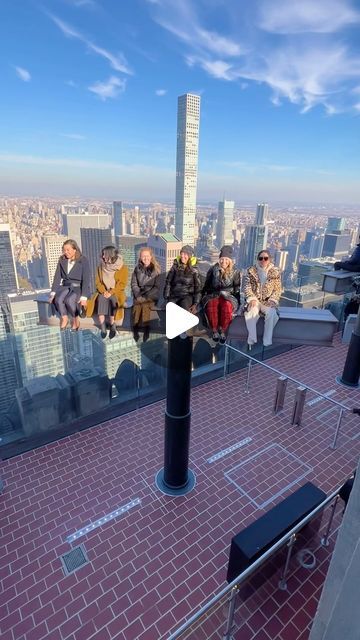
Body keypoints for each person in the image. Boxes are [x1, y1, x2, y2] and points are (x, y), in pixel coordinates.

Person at [86, 245, 128, 339]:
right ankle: (103, 326)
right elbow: (98, 282)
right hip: (103, 291)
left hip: (116, 292)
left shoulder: (122, 268)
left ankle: (113, 324)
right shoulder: (100, 267)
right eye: (103, 255)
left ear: (110, 255)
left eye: (105, 254)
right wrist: (104, 291)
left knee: (112, 300)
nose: (103, 256)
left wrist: (111, 292)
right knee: (101, 299)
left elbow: (122, 284)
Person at [201, 246, 241, 344]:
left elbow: (236, 289)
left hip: (229, 296)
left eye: (226, 259)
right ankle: (214, 330)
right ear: (219, 259)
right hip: (213, 294)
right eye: (222, 259)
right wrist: (202, 297)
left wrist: (239, 303)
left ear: (230, 260)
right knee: (212, 304)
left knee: (226, 306)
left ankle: (222, 330)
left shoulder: (235, 272)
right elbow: (207, 285)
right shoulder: (213, 269)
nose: (224, 261)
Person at [49, 239, 90, 331]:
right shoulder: (62, 260)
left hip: (78, 287)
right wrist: (53, 293)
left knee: (69, 300)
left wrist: (84, 297)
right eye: (64, 250)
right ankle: (64, 318)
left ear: (75, 249)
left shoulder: (83, 260)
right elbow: (57, 277)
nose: (66, 252)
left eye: (68, 250)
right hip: (65, 286)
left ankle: (75, 319)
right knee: (58, 299)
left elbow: (86, 279)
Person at [244, 250, 281, 348]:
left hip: (267, 301)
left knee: (271, 313)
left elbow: (277, 289)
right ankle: (252, 338)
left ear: (269, 259)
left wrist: (273, 300)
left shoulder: (275, 272)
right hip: (255, 299)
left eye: (265, 258)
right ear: (258, 259)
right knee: (252, 312)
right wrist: (252, 299)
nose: (263, 260)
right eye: (261, 258)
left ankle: (267, 340)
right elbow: (247, 286)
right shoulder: (251, 271)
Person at [131, 248, 161, 342]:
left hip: (151, 295)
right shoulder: (137, 269)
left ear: (151, 257)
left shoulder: (156, 270)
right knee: (136, 306)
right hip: (139, 294)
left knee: (145, 305)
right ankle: (135, 328)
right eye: (143, 256)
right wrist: (138, 295)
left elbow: (156, 287)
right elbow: (134, 284)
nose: (145, 258)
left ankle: (146, 329)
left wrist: (146, 296)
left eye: (147, 256)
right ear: (140, 258)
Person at [163, 245, 201, 312]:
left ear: (190, 256)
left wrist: (195, 303)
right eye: (181, 253)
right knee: (170, 308)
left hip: (187, 295)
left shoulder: (194, 270)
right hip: (174, 295)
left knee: (184, 307)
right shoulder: (175, 267)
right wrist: (166, 297)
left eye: (185, 254)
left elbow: (198, 288)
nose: (182, 256)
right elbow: (168, 282)